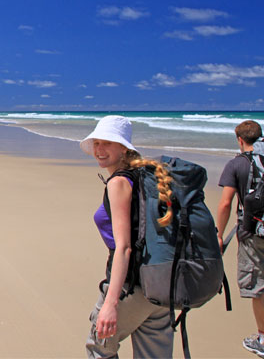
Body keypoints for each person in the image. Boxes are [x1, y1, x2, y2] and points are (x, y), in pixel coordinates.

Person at [81, 115, 174, 359]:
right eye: (97, 143)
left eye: (107, 143)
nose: (100, 150)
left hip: (131, 286)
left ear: (124, 148)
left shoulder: (119, 182)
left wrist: (111, 303)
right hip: (162, 283)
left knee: (99, 348)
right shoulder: (147, 175)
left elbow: (124, 248)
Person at [216, 120, 264, 359]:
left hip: (255, 234)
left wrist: (219, 235)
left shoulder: (237, 163)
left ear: (239, 139)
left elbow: (226, 203)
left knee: (258, 286)